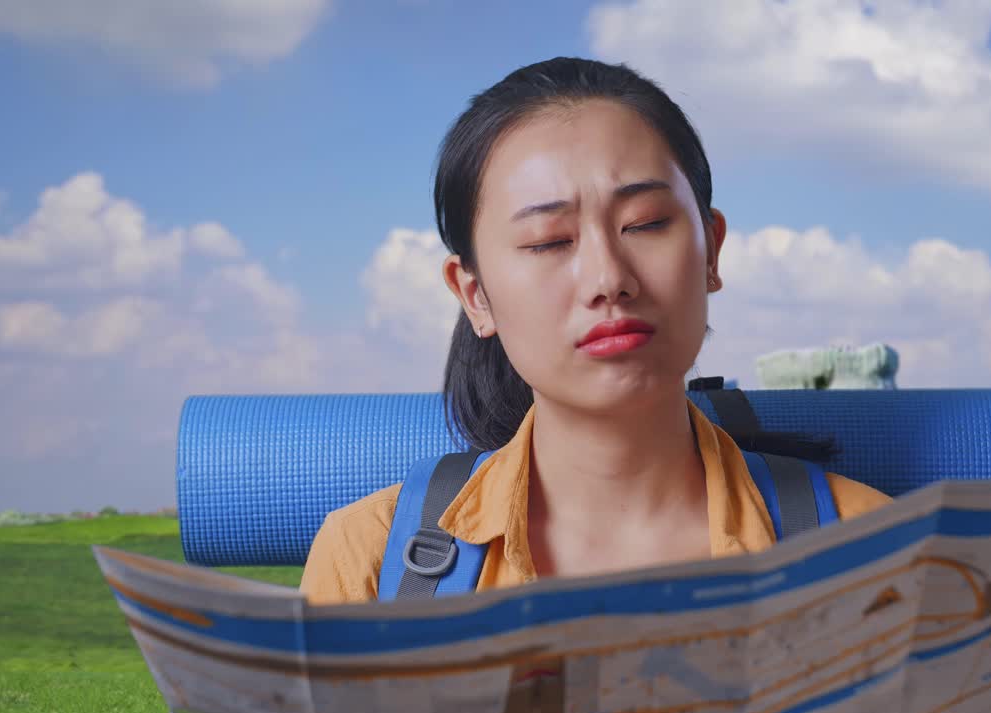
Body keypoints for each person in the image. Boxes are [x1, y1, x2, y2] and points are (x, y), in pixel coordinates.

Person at [300, 56, 891, 605]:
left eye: (646, 223)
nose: (609, 278)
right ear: (475, 296)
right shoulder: (370, 563)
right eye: (549, 241)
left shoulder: (877, 553)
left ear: (711, 250)